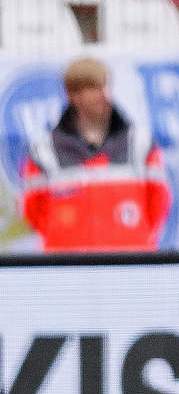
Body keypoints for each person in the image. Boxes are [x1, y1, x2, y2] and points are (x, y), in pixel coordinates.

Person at [20, 57, 170, 252]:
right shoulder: (44, 149)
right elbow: (34, 211)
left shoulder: (140, 142)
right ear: (74, 95)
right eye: (95, 88)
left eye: (106, 86)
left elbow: (158, 202)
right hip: (67, 267)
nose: (104, 95)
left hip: (131, 263)